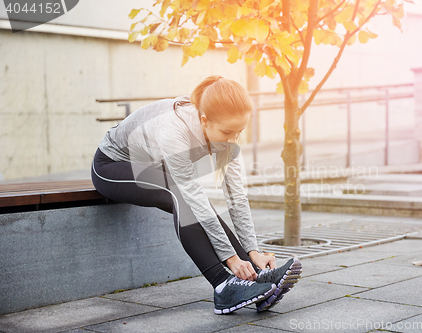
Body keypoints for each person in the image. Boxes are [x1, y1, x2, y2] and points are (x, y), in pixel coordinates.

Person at [91, 75, 302, 314]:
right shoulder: (175, 129)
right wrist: (231, 258)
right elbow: (191, 194)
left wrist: (252, 252)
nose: (233, 140)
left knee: (192, 197)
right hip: (112, 166)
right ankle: (223, 286)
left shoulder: (226, 137)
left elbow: (236, 197)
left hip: (152, 167)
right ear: (204, 120)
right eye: (226, 132)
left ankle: (256, 277)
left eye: (239, 131)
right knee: (181, 193)